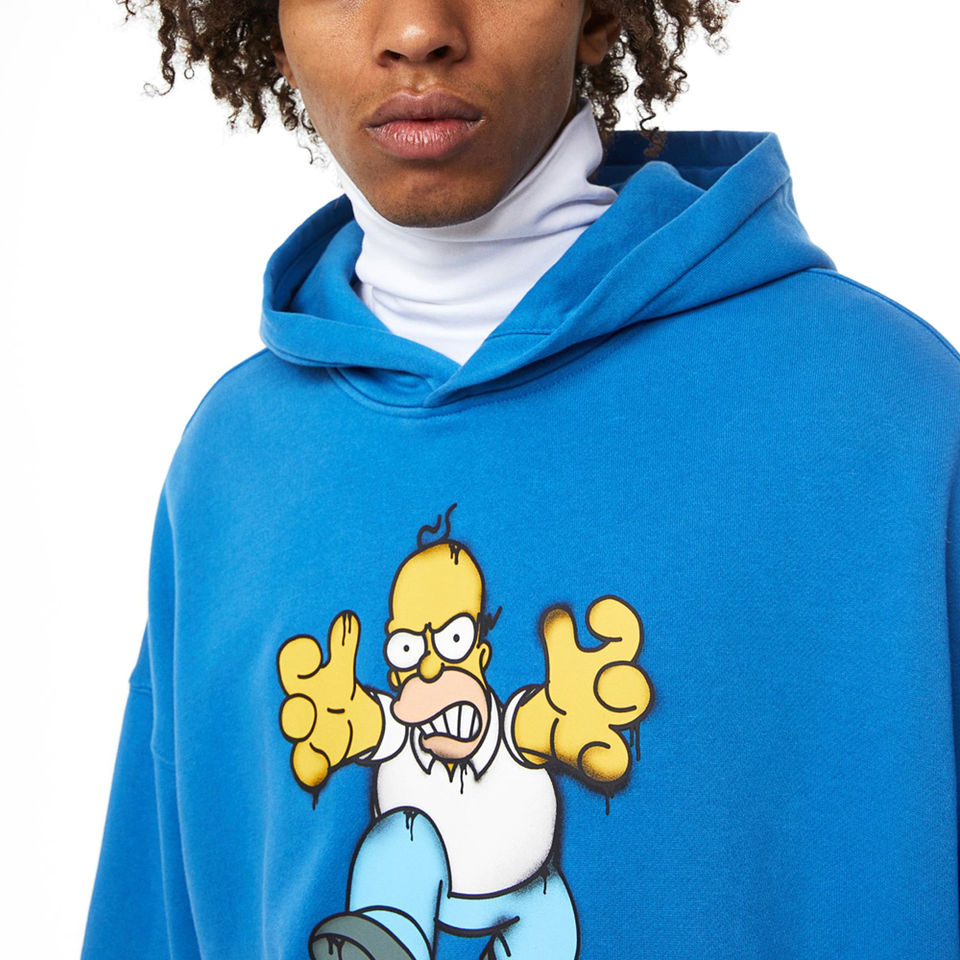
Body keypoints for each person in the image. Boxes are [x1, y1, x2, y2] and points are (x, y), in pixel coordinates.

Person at [83, 1, 960, 958]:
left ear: (599, 11)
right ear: (271, 25)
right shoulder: (233, 468)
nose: (417, 29)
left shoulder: (891, 416)